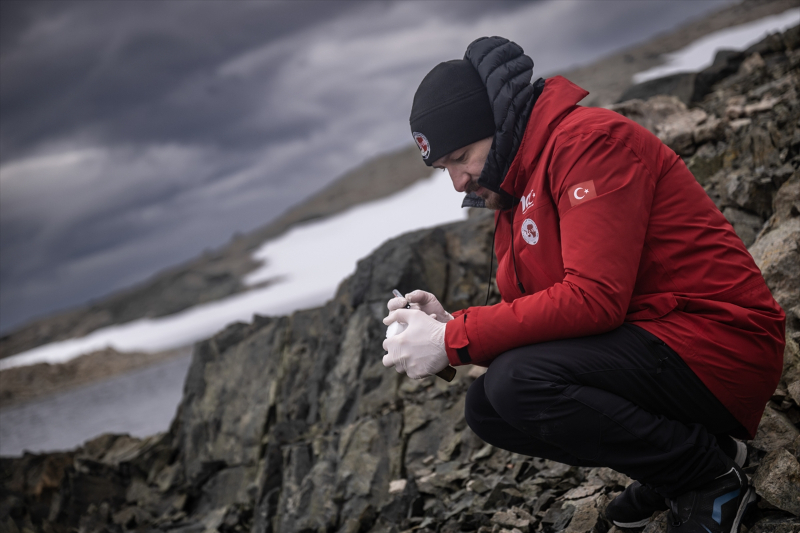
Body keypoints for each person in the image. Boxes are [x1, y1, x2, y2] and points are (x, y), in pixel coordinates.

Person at [381, 36, 785, 533]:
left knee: (515, 384)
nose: (459, 182)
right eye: (446, 168)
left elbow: (595, 300)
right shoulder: (517, 190)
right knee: (487, 407)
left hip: (722, 344)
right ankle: (698, 452)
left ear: (500, 124)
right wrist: (452, 325)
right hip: (664, 345)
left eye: (461, 156)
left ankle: (707, 479)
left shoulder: (588, 143)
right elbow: (543, 321)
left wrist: (451, 341)